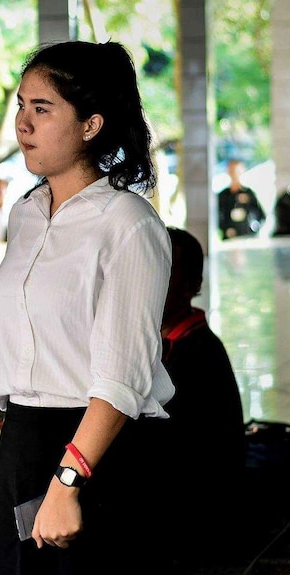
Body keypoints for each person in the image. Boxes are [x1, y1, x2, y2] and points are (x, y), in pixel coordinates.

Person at [0, 40, 175, 574]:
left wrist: (69, 479)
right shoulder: (26, 213)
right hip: (23, 441)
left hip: (92, 449)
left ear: (91, 125)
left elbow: (122, 375)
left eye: (41, 110)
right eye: (21, 105)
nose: (23, 124)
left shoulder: (127, 222)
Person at [152, 226, 244, 568]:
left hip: (193, 520)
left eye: (166, 271)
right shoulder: (163, 346)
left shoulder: (197, 354)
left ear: (194, 285)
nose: (153, 282)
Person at [217, 159, 265, 240]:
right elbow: (217, 216)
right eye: (232, 171)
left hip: (248, 236)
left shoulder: (249, 193)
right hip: (229, 238)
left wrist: (254, 229)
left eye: (237, 171)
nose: (234, 174)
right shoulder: (223, 195)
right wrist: (225, 229)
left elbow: (260, 214)